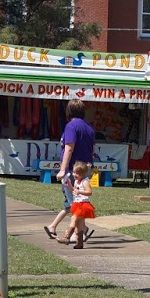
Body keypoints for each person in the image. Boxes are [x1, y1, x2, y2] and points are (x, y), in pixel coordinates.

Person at [46, 99, 96, 242]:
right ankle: (78, 230)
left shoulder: (71, 126)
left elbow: (69, 148)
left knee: (75, 203)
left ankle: (77, 233)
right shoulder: (89, 128)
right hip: (84, 169)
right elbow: (92, 150)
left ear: (68, 111)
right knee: (74, 201)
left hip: (73, 170)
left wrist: (62, 170)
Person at [62, 161, 96, 249]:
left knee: (73, 219)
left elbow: (89, 192)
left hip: (83, 204)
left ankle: (66, 237)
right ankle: (80, 243)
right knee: (79, 226)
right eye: (74, 172)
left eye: (77, 173)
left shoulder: (85, 181)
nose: (75, 175)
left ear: (83, 174)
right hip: (77, 204)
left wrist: (80, 191)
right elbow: (74, 191)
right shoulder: (77, 181)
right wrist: (69, 184)